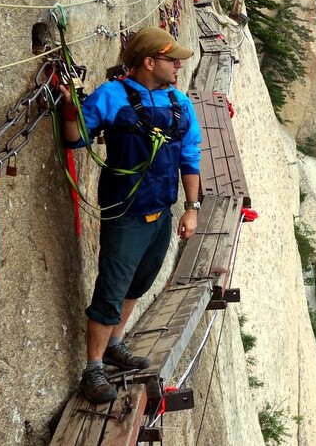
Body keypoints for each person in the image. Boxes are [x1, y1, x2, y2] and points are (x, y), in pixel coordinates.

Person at [60, 27, 203, 403]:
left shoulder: (179, 104)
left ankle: (115, 343)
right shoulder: (112, 96)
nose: (178, 67)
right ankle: (92, 369)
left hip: (161, 211)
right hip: (125, 212)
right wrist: (72, 111)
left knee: (138, 283)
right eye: (173, 60)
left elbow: (190, 157)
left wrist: (192, 208)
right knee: (112, 287)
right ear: (149, 61)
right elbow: (76, 139)